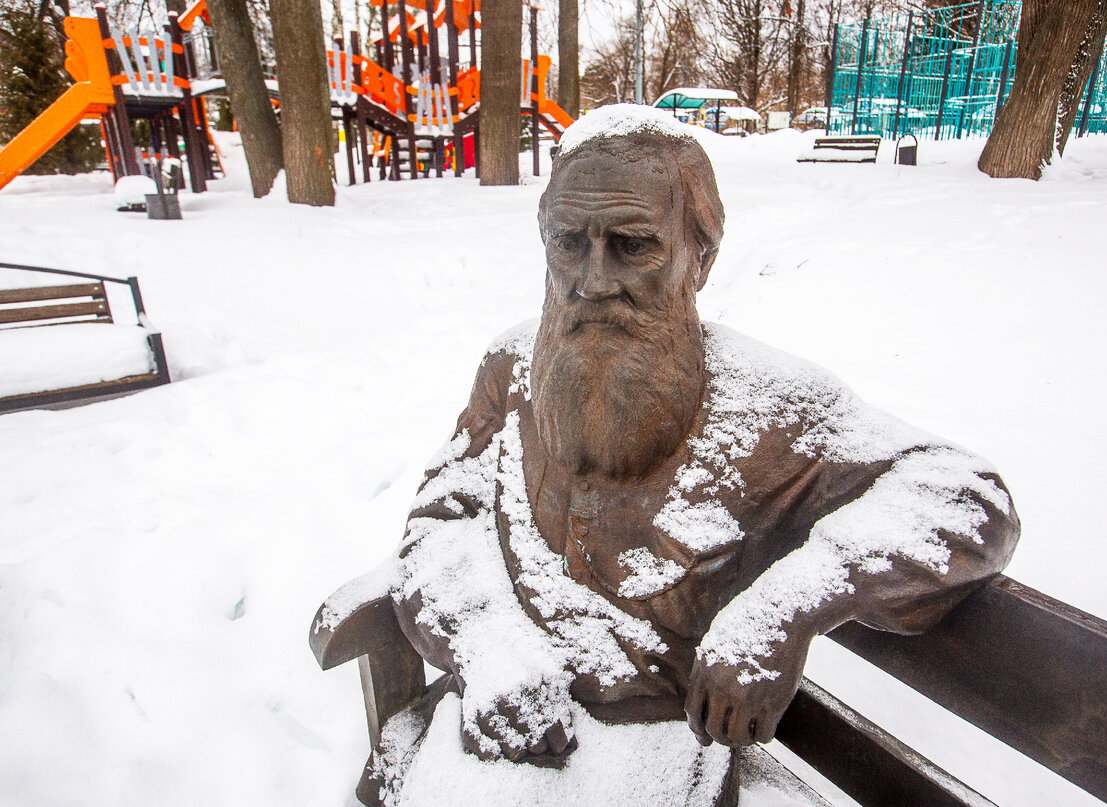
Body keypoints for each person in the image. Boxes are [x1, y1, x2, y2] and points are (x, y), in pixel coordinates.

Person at [313, 105, 1020, 807]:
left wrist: (784, 608)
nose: (592, 279)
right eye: (568, 243)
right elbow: (441, 519)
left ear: (700, 257)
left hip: (654, 755)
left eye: (631, 245)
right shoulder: (511, 368)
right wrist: (482, 644)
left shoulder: (772, 407)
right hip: (493, 721)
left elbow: (963, 496)